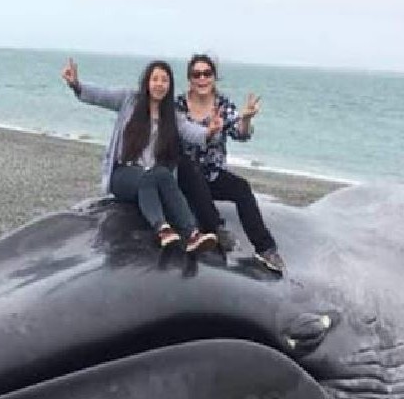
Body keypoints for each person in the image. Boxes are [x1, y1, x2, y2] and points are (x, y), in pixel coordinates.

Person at [62, 58, 220, 252]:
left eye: (164, 80)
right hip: (123, 174)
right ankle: (161, 228)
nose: (159, 84)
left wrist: (210, 131)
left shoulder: (171, 115)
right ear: (147, 82)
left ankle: (192, 234)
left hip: (151, 175)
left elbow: (191, 132)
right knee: (150, 177)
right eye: (155, 79)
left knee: (161, 174)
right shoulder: (129, 100)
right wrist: (76, 85)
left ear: (169, 86)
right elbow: (100, 96)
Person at [174, 53, 286, 274]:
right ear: (190, 79)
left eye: (207, 73)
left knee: (242, 188)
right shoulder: (178, 105)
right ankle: (216, 228)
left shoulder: (223, 105)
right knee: (187, 166)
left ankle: (265, 248)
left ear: (214, 77)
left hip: (212, 175)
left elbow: (241, 134)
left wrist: (246, 118)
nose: (202, 78)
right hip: (186, 176)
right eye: (197, 74)